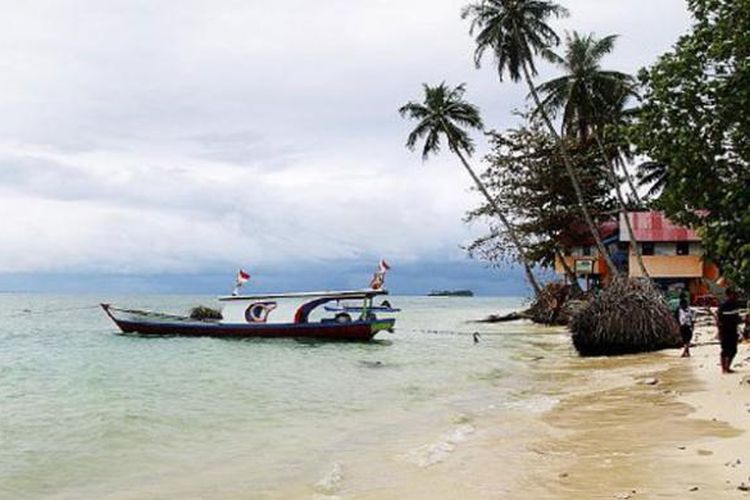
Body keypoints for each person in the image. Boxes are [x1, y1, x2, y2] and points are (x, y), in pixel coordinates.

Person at [717, 288, 742, 374]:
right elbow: (718, 320)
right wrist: (719, 332)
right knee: (725, 350)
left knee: (734, 350)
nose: (736, 296)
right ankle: (724, 369)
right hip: (725, 331)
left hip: (733, 330)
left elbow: (737, 318)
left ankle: (727, 367)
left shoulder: (735, 305)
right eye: (733, 294)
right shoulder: (724, 306)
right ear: (729, 295)